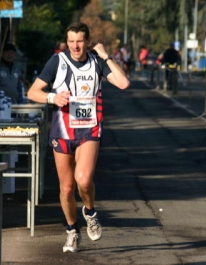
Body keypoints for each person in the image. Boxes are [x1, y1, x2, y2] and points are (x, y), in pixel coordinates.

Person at [27, 22, 130, 253]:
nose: (75, 46)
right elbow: (32, 92)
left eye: (80, 41)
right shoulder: (58, 62)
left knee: (83, 180)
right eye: (71, 41)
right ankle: (73, 231)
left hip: (89, 129)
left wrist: (106, 56)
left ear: (88, 41)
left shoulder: (97, 62)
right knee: (66, 188)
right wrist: (53, 98)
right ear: (67, 41)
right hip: (63, 130)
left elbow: (123, 83)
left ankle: (90, 213)